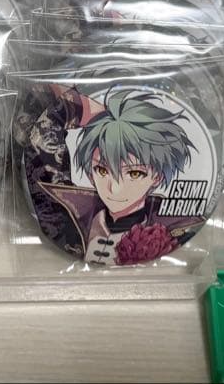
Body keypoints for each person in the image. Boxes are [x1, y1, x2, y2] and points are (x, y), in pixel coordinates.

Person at [39, 88, 202, 265]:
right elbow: (41, 138)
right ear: (90, 174)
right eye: (102, 171)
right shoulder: (66, 210)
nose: (114, 189)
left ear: (157, 177)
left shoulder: (177, 227)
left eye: (134, 173)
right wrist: (92, 113)